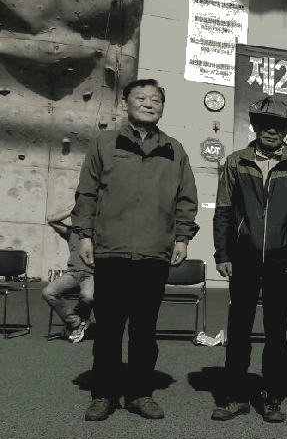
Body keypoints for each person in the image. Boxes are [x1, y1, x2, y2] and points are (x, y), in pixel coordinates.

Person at [72, 78, 199, 421]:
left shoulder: (174, 149)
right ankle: (104, 394)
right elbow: (87, 193)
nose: (149, 103)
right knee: (109, 329)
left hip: (154, 253)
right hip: (112, 250)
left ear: (162, 107)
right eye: (141, 97)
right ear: (125, 103)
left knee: (144, 330)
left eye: (156, 99)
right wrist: (84, 235)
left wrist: (182, 238)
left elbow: (186, 198)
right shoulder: (105, 143)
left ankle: (140, 393)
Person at [211, 97, 287, 423]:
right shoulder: (235, 162)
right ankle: (234, 396)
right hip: (243, 256)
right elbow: (223, 211)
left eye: (279, 126)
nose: (272, 130)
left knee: (276, 330)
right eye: (266, 124)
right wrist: (223, 253)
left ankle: (272, 397)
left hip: (282, 258)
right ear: (255, 126)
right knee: (239, 328)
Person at [42, 205, 94, 343]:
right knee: (48, 292)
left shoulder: (100, 235)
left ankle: (77, 320)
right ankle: (76, 322)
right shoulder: (71, 232)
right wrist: (72, 211)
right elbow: (51, 220)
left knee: (88, 297)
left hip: (91, 275)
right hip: (72, 274)